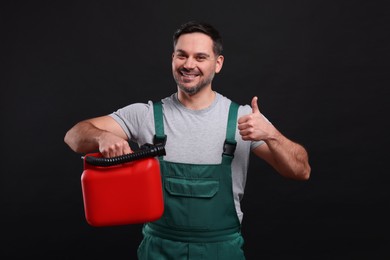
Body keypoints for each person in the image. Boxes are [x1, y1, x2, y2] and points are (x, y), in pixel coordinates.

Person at [64, 20, 311, 259]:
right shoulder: (146, 115)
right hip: (159, 250)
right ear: (173, 59)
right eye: (182, 55)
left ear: (218, 63)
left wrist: (271, 134)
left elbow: (301, 171)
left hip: (221, 250)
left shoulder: (244, 119)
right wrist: (102, 136)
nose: (188, 64)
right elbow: (73, 137)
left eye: (200, 57)